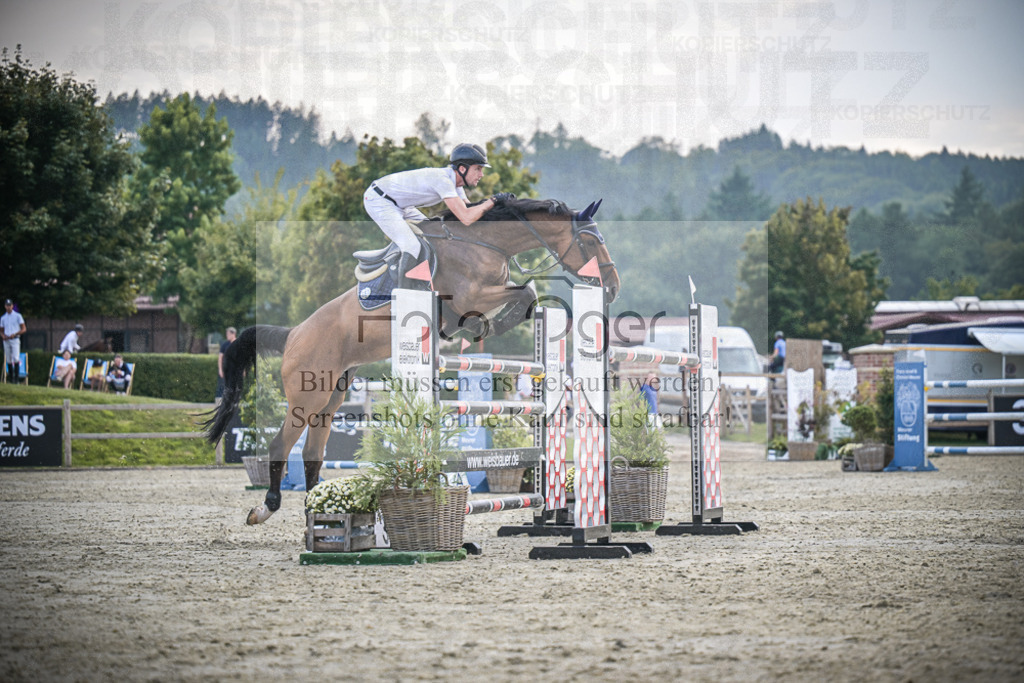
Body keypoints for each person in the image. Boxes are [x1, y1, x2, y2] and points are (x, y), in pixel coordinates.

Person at [362, 143, 515, 290]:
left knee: (431, 235)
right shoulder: (443, 180)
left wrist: (498, 207)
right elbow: (466, 217)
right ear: (462, 168)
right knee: (412, 245)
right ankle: (404, 294)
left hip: (400, 205)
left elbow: (472, 211)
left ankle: (424, 283)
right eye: (478, 169)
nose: (481, 174)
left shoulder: (456, 184)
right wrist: (493, 200)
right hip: (379, 200)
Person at [2, 299, 26, 383]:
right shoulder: (3, 318)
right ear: (5, 306)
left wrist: (15, 334)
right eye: (7, 305)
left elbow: (23, 329)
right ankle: (11, 379)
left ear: (12, 306)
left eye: (10, 305)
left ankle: (16, 379)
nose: (8, 307)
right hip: (6, 340)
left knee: (16, 358)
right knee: (8, 358)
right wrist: (3, 335)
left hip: (15, 339)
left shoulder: (17, 316)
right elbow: (1, 330)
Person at [216, 327, 237, 402]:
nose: (227, 336)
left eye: (228, 334)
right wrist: (220, 369)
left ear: (233, 334)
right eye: (226, 334)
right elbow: (220, 358)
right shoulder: (225, 345)